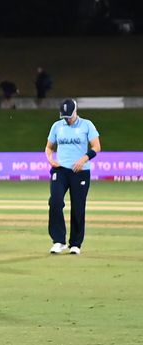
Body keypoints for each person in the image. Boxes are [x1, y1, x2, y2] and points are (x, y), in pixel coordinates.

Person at [45, 99, 101, 255]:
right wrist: (50, 159)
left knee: (78, 207)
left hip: (80, 172)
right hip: (60, 170)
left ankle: (75, 244)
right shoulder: (57, 126)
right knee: (55, 202)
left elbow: (96, 147)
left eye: (69, 116)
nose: (67, 119)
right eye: (64, 117)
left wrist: (83, 159)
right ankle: (58, 241)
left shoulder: (86, 125)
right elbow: (49, 147)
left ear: (76, 111)